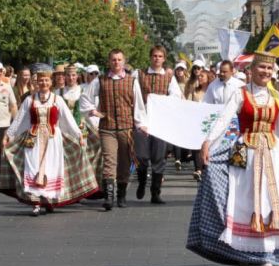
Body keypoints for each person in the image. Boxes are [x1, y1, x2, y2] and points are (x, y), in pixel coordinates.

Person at [187, 51, 279, 266]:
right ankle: (242, 256)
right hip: (246, 152)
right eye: (262, 68)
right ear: (251, 70)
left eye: (269, 69)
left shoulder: (275, 97)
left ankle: (265, 259)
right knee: (244, 200)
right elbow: (223, 119)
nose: (266, 72)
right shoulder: (240, 95)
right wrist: (209, 141)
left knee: (269, 202)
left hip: (272, 152)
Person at [0, 65, 98, 215]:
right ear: (37, 83)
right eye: (41, 81)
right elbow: (20, 119)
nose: (43, 83)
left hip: (53, 139)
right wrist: (9, 134)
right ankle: (36, 202)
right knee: (33, 166)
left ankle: (49, 199)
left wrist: (78, 135)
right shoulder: (30, 100)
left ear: (50, 82)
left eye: (46, 80)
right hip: (33, 138)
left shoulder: (57, 99)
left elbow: (68, 119)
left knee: (51, 168)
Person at [80, 49, 147, 210]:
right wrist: (93, 111)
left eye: (119, 60)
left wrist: (141, 123)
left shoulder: (132, 81)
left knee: (124, 162)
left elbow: (138, 104)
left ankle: (121, 194)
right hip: (107, 127)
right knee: (109, 160)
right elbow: (85, 98)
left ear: (123, 62)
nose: (116, 62)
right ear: (109, 62)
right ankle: (108, 196)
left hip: (126, 127)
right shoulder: (100, 80)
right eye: (113, 60)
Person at [136, 45, 182, 204]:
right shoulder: (140, 74)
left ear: (164, 58)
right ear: (150, 57)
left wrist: (161, 100)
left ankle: (155, 192)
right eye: (154, 56)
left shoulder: (169, 77)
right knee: (141, 155)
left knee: (158, 158)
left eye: (160, 56)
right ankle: (141, 181)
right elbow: (133, 94)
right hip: (143, 120)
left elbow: (176, 97)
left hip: (160, 122)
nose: (157, 59)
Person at [185, 67, 211, 181]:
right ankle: (198, 169)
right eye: (199, 76)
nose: (199, 78)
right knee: (197, 146)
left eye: (202, 76)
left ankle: (205, 167)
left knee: (206, 146)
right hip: (196, 121)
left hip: (209, 122)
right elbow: (189, 104)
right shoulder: (195, 91)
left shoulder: (212, 91)